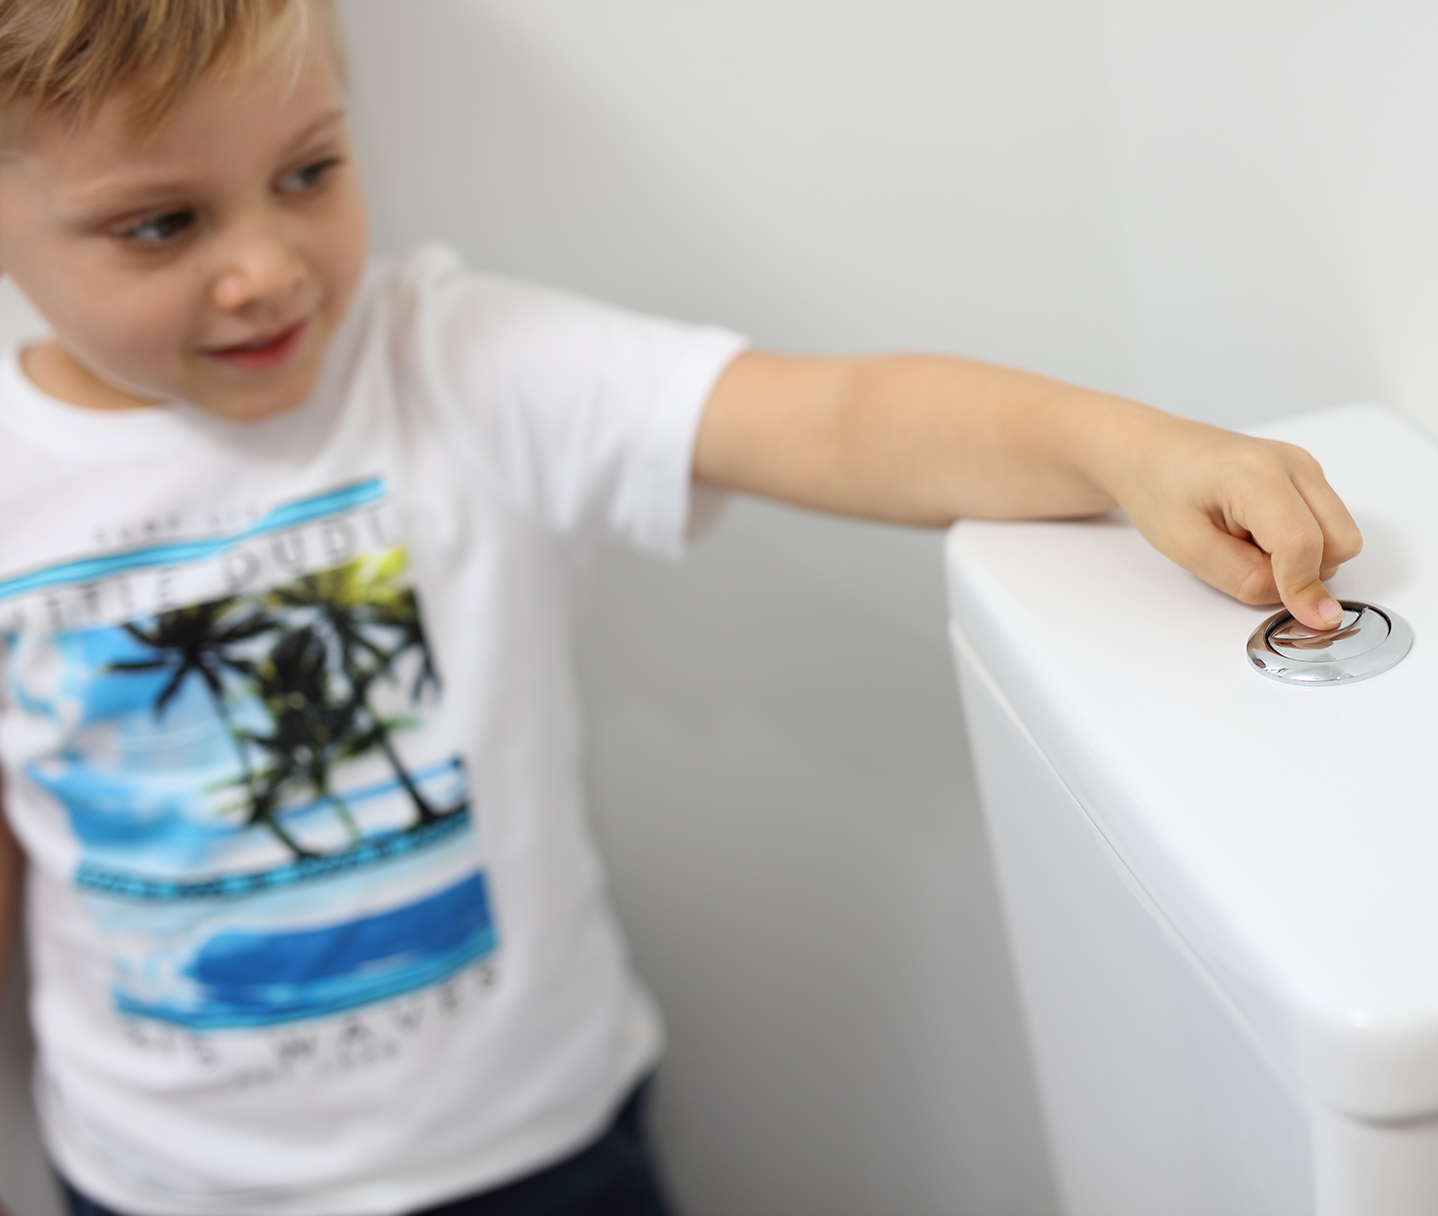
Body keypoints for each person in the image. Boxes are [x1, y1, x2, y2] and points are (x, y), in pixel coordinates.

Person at [0, 2, 1361, 1214]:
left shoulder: (448, 362)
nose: (271, 267)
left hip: (526, 1150)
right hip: (155, 1176)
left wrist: (1124, 450)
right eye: (162, 223)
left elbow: (833, 418)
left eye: (311, 171)